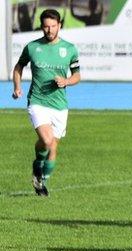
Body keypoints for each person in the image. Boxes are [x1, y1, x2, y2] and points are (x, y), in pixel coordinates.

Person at [12, 9, 81, 196]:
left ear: (59, 25)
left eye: (53, 26)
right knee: (47, 140)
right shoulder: (33, 47)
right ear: (41, 27)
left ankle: (40, 177)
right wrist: (17, 87)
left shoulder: (69, 49)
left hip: (59, 105)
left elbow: (77, 75)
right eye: (45, 27)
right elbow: (19, 67)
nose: (49, 30)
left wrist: (66, 81)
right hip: (37, 101)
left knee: (52, 147)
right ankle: (38, 172)